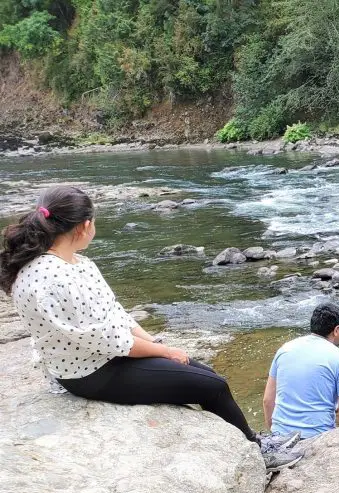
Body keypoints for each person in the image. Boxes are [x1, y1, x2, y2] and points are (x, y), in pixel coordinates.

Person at [0, 185, 298, 469]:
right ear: (84, 226)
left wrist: (154, 343)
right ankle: (257, 453)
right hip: (90, 373)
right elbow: (110, 340)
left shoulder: (74, 262)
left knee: (206, 373)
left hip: (100, 358)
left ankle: (252, 439)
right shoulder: (55, 278)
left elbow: (115, 312)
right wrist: (163, 351)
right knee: (213, 386)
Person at [262, 301, 339, 439]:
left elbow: (267, 400)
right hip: (316, 438)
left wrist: (275, 432)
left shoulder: (285, 349)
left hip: (280, 436)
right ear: (337, 330)